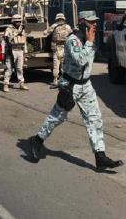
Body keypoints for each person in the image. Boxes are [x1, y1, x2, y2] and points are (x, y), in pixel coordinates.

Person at [29, 12, 124, 171]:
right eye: (90, 22)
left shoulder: (89, 38)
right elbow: (80, 60)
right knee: (57, 117)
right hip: (71, 86)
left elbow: (92, 59)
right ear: (82, 22)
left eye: (95, 22)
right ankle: (37, 140)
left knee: (95, 119)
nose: (94, 24)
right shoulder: (73, 40)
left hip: (86, 86)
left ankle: (100, 157)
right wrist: (89, 43)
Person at [44, 13, 73, 88]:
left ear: (57, 19)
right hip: (65, 48)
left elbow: (45, 33)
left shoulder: (54, 26)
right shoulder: (68, 26)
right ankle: (64, 81)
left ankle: (55, 81)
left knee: (56, 65)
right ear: (63, 19)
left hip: (56, 48)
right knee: (64, 66)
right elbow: (71, 35)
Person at [3, 14, 29, 92]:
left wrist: (25, 52)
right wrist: (17, 33)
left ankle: (21, 83)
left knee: (20, 68)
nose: (18, 23)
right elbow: (7, 40)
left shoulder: (22, 29)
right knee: (9, 69)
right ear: (13, 21)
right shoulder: (9, 29)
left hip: (20, 50)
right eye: (16, 21)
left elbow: (24, 40)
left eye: (19, 21)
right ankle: (6, 84)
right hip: (11, 51)